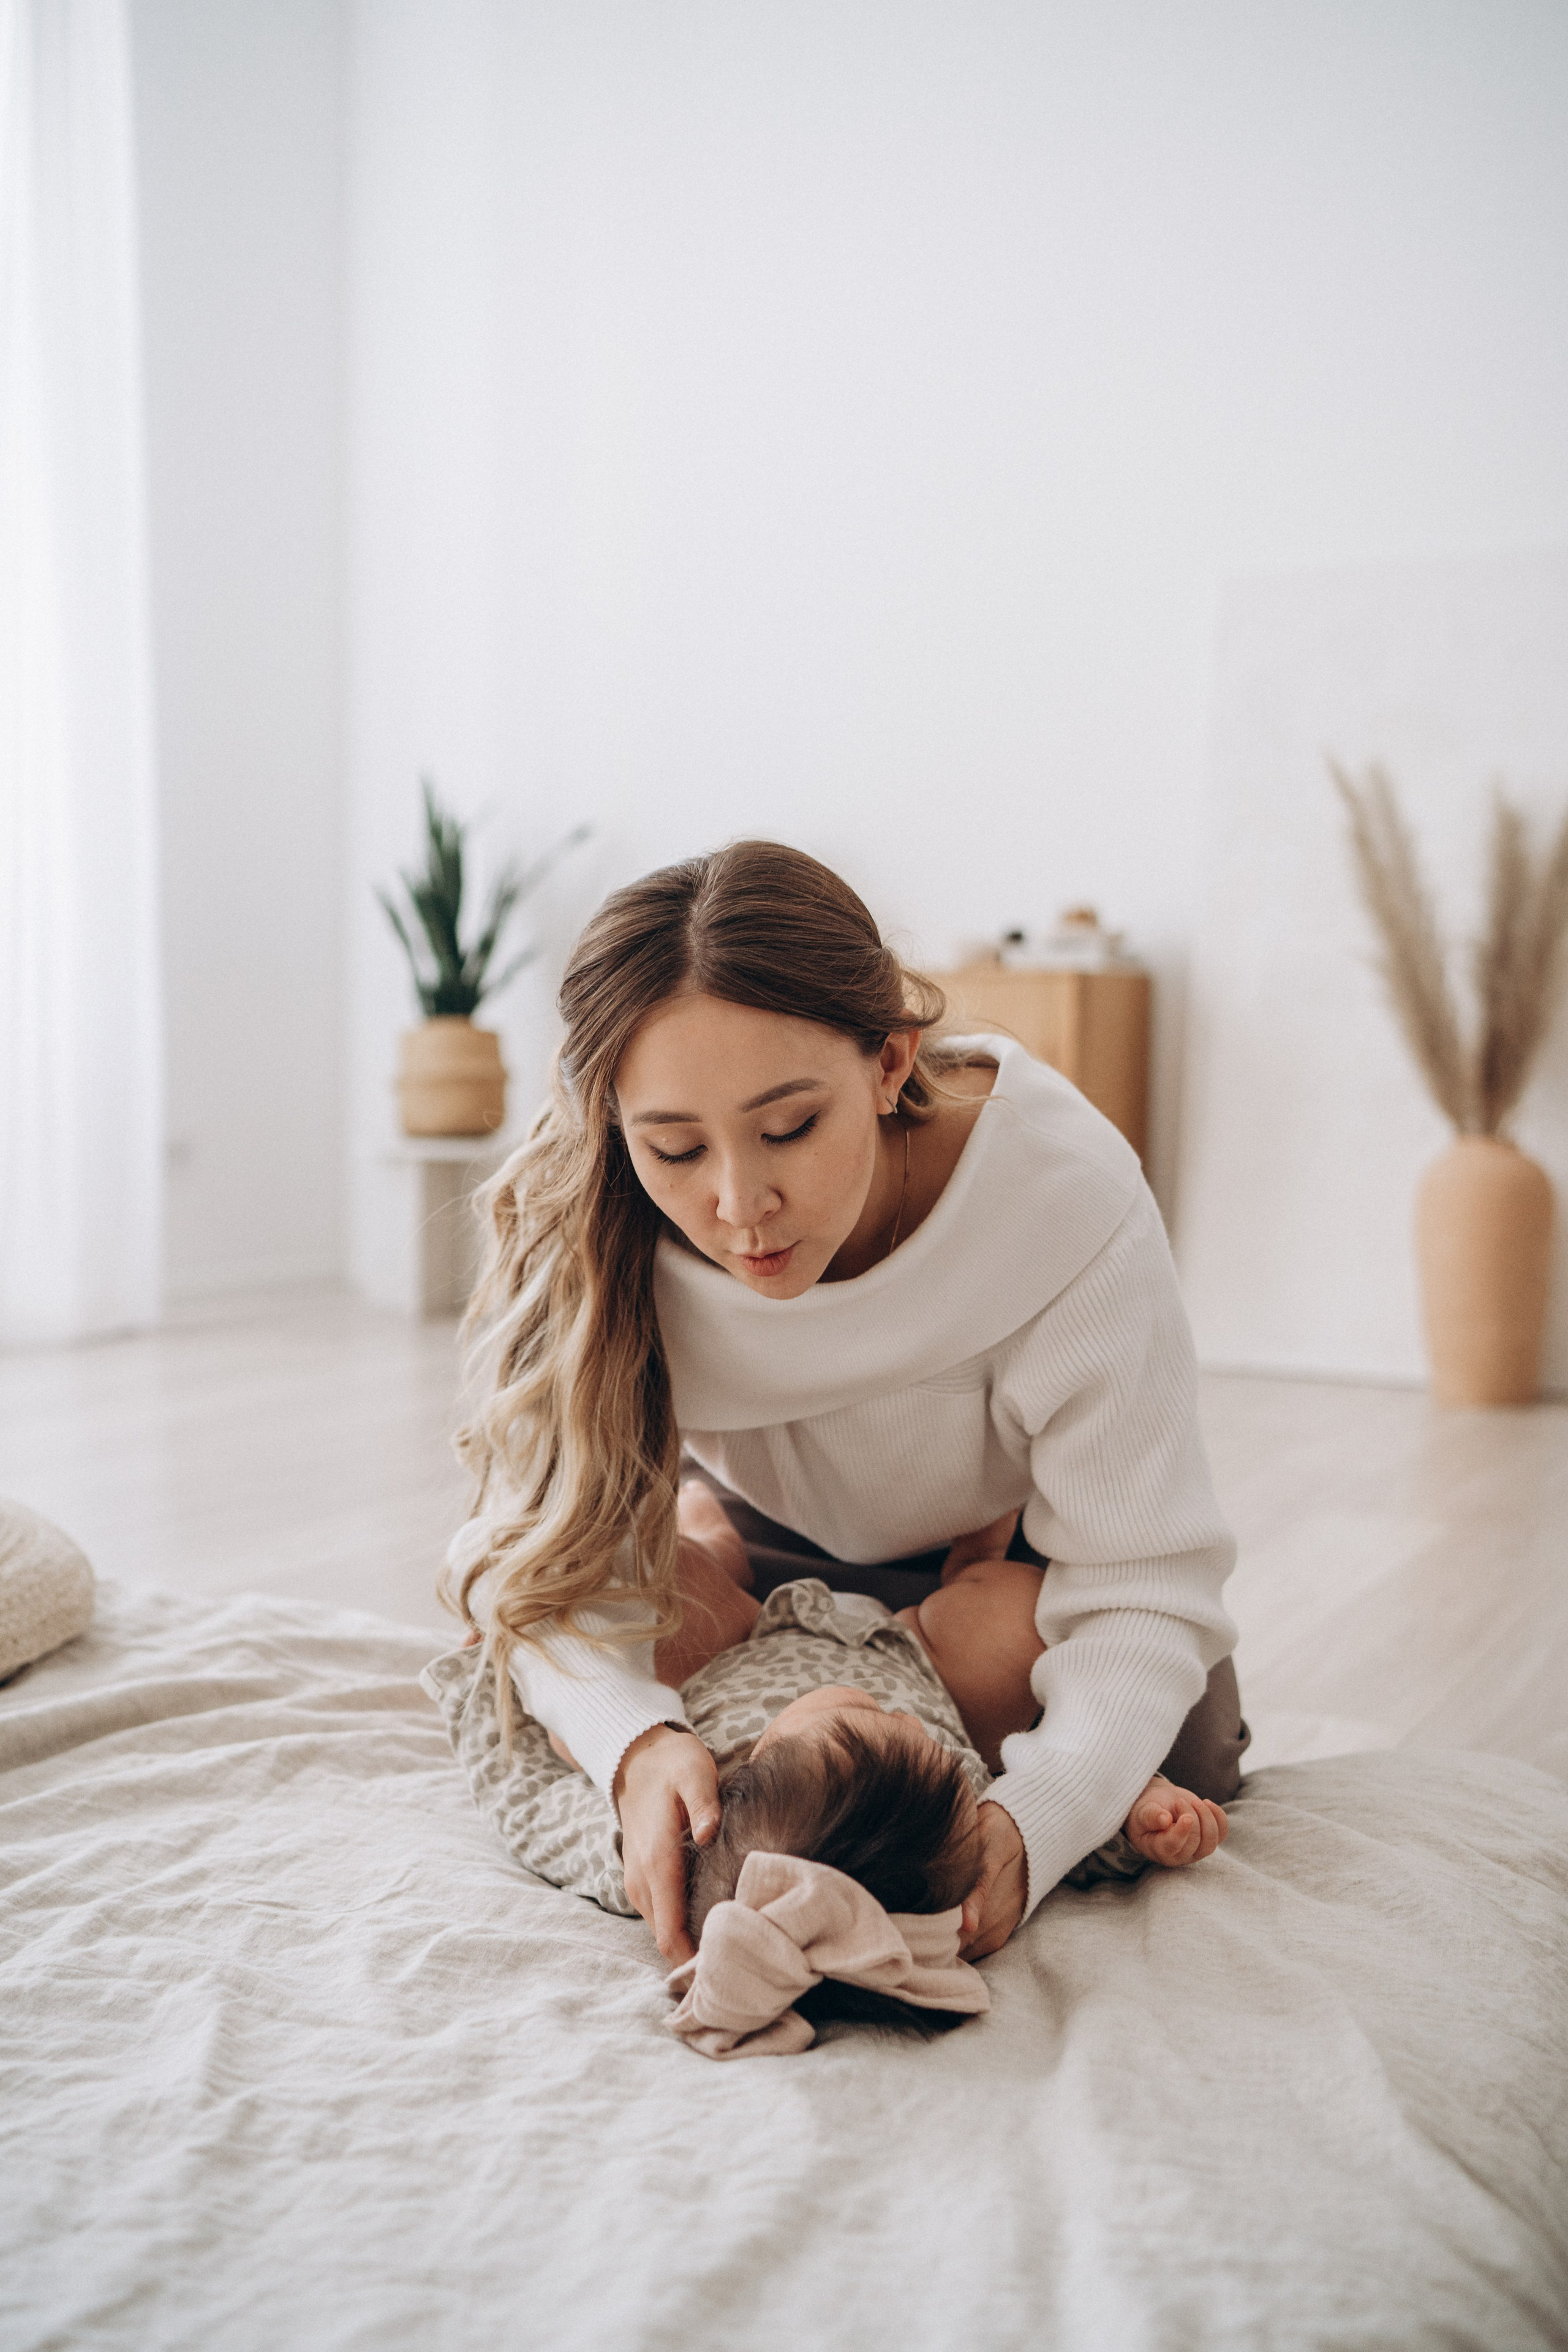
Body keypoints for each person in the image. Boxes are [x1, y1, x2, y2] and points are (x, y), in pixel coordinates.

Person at [445, 840, 1244, 1965]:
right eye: (674, 1148)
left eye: (789, 1130)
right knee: (551, 1673)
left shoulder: (1063, 1196)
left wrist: (1041, 1818)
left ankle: (755, 1581)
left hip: (1004, 1559)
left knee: (1186, 1757)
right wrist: (634, 1747)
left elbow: (1143, 1581)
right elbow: (529, 1557)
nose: (740, 1206)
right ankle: (711, 1541)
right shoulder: (584, 1210)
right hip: (772, 1541)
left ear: (889, 1062)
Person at [424, 1532, 1229, 2056]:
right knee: (1015, 1610)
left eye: (864, 1720)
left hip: (732, 1639)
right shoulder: (951, 1824)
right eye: (927, 1746)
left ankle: (714, 1535)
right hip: (914, 1645)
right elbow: (1047, 1832)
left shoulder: (677, 1843)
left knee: (664, 1571)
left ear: (757, 1757)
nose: (902, 1718)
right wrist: (1132, 1814)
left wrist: (494, 1682)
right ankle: (968, 1559)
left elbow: (530, 1802)